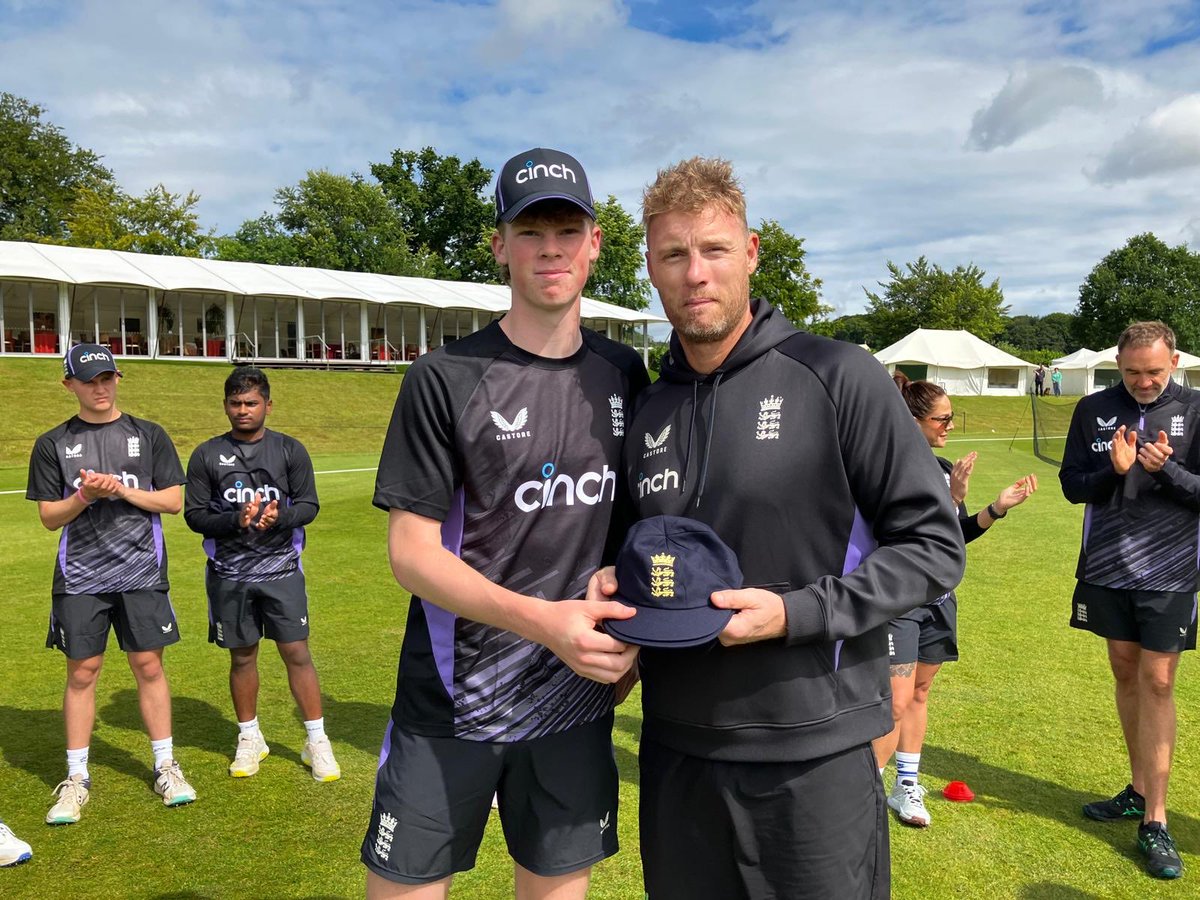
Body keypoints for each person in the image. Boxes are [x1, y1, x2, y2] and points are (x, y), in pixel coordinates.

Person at [603, 157, 965, 899]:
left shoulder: (838, 375)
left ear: (751, 252)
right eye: (673, 254)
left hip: (815, 751)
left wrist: (795, 614)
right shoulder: (647, 407)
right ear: (650, 268)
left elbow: (934, 547)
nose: (695, 273)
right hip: (676, 751)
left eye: (714, 249)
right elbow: (633, 558)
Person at [361, 147, 649, 899]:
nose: (551, 249)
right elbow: (412, 555)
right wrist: (545, 623)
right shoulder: (444, 377)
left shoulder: (624, 373)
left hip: (573, 699)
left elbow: (634, 532)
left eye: (567, 230)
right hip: (452, 702)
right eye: (530, 232)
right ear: (499, 246)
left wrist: (634, 643)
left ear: (595, 243)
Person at [26, 343, 196, 825]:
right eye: (89, 381)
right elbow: (49, 517)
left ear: (117, 378)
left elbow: (172, 502)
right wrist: (84, 494)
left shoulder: (149, 435)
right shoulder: (53, 443)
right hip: (80, 577)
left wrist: (119, 489)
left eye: (106, 378)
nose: (99, 388)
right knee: (83, 672)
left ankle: (166, 766)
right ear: (69, 385)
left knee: (148, 665)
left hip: (142, 571)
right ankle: (76, 778)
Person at [1060, 320, 1199, 880]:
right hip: (1107, 566)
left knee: (1158, 681)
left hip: (1170, 572)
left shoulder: (1196, 409)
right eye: (1133, 371)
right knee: (1124, 671)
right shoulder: (1093, 408)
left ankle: (1156, 820)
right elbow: (1073, 486)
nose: (1143, 381)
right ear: (1117, 364)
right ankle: (1138, 790)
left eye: (1154, 371)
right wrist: (1111, 472)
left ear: (1175, 363)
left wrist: (1167, 471)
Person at [873, 374, 1037, 827]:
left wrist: (996, 508)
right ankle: (863, 792)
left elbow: (954, 538)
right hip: (901, 603)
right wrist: (951, 499)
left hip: (940, 601)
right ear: (912, 420)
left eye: (951, 417)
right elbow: (902, 536)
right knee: (894, 701)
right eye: (941, 419)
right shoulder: (886, 467)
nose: (949, 426)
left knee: (919, 693)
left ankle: (906, 786)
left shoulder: (944, 468)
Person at [184, 366, 339, 782]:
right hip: (229, 574)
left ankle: (316, 741)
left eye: (251, 403)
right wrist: (237, 519)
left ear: (268, 405)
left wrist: (278, 517)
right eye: (235, 403)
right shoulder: (206, 454)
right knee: (242, 656)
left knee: (296, 652)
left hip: (281, 570)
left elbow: (309, 505)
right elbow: (194, 516)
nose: (243, 410)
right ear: (225, 406)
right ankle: (250, 737)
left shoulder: (290, 450)